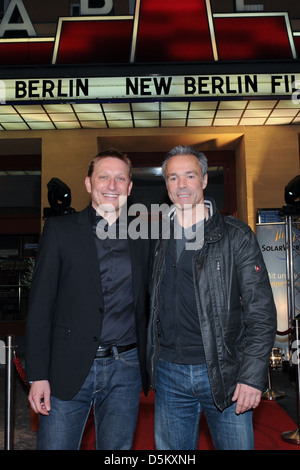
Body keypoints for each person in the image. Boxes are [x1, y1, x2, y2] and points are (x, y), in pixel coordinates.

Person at [147, 145, 277, 450]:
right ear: (166, 185)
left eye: (189, 176)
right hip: (168, 373)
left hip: (226, 373)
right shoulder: (155, 236)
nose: (181, 185)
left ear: (204, 180)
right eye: (173, 178)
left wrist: (252, 375)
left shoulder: (236, 235)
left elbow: (261, 312)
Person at [25, 149, 152, 450]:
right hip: (68, 367)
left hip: (127, 367)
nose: (112, 184)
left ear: (129, 187)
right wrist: (38, 375)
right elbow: (40, 307)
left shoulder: (145, 236)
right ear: (88, 183)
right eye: (104, 177)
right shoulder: (60, 231)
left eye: (120, 178)